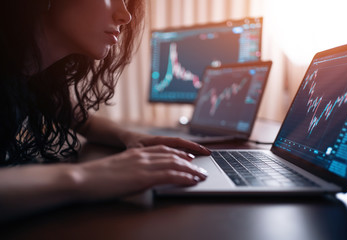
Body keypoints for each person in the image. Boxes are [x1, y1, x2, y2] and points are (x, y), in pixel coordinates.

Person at [0, 0, 211, 221]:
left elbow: (85, 122)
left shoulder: (34, 77)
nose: (126, 16)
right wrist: (85, 177)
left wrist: (131, 137)